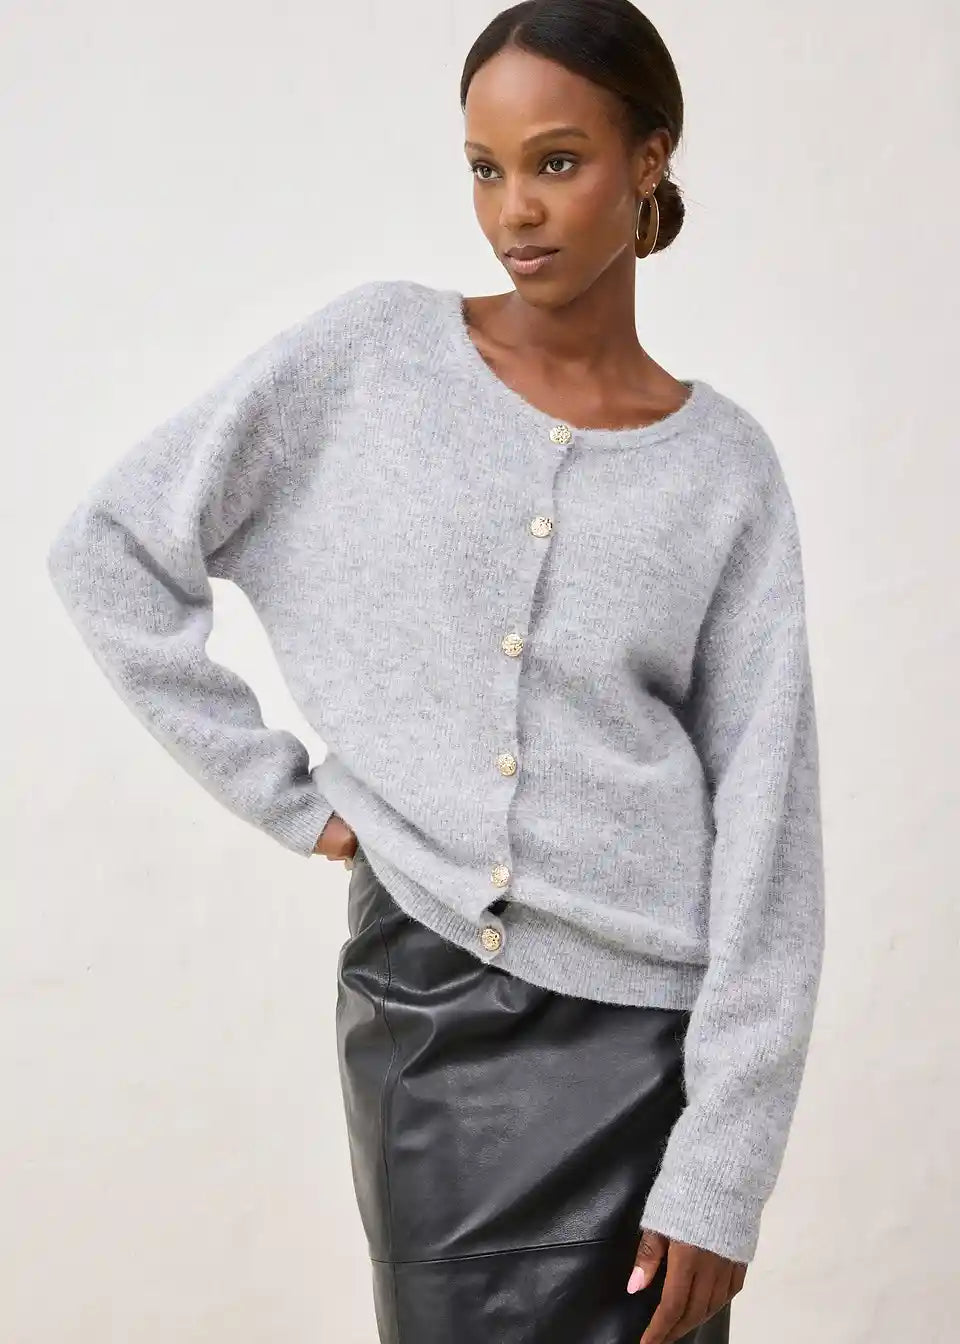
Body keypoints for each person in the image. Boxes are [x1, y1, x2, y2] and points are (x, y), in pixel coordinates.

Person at [45, 2, 826, 1341]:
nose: (515, 209)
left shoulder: (726, 469)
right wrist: (291, 798)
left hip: (655, 1044)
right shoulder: (374, 357)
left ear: (650, 158)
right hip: (431, 1008)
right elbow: (109, 550)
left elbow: (771, 824)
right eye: (484, 167)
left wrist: (726, 1163)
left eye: (558, 161)